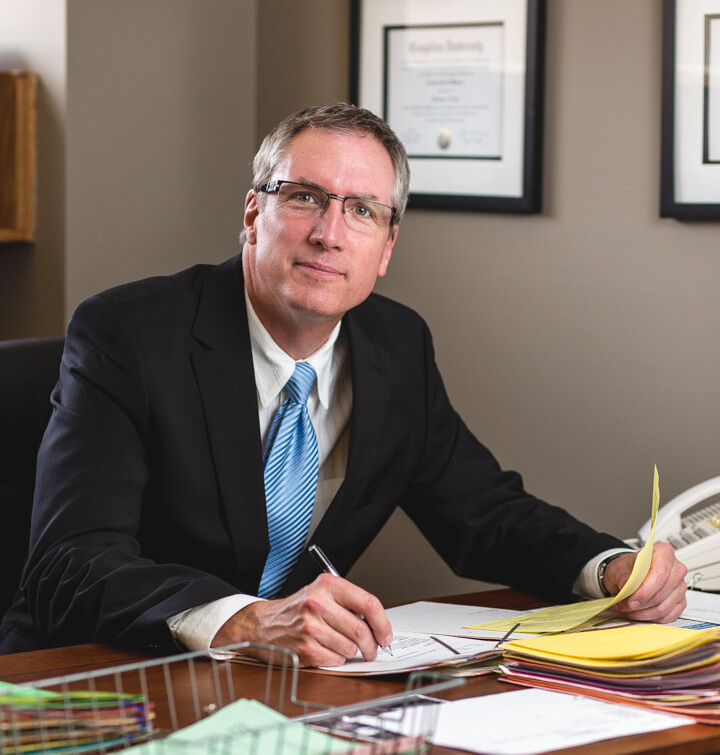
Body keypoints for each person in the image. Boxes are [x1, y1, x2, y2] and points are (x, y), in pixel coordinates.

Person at [0, 103, 688, 663]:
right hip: (93, 675)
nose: (330, 232)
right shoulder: (130, 334)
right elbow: (70, 562)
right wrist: (249, 620)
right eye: (304, 197)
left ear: (387, 247)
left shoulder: (396, 345)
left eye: (362, 210)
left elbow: (485, 513)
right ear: (251, 216)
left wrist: (608, 568)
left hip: (282, 689)